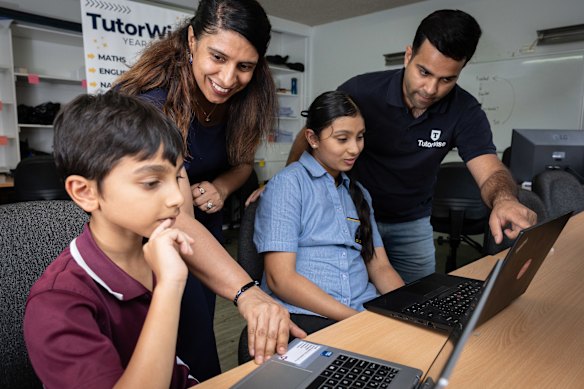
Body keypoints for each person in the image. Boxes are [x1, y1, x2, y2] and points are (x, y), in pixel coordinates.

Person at [279, 9, 536, 284]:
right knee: (348, 296)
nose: (430, 89)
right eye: (424, 72)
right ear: (408, 56)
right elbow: (311, 136)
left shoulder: (465, 110)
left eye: (446, 79)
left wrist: (505, 200)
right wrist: (288, 184)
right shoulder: (361, 92)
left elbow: (489, 170)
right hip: (351, 215)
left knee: (419, 299)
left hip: (411, 223)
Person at [114, 0, 287, 378]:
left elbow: (243, 163)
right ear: (192, 39)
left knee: (197, 340)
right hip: (147, 238)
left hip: (200, 228)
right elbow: (174, 215)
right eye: (218, 57)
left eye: (244, 66)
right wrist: (248, 293)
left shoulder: (246, 97)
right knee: (162, 349)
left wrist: (222, 187)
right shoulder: (153, 103)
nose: (228, 79)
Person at [23, 92, 198, 388]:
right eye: (152, 182)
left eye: (178, 177)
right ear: (85, 192)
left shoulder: (156, 252)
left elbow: (172, 366)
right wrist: (169, 287)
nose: (177, 198)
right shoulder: (58, 303)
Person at [254, 91, 405, 334]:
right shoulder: (289, 185)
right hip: (307, 314)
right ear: (313, 139)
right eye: (342, 139)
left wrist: (408, 309)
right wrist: (355, 320)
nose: (354, 149)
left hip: (363, 310)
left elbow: (381, 268)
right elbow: (279, 279)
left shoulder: (359, 194)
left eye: (360, 137)